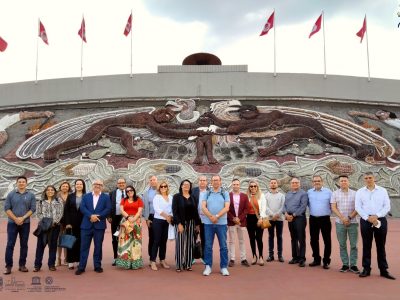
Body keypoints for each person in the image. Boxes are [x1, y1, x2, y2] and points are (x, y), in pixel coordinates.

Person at [355, 172, 395, 280]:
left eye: (370, 177)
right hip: (366, 220)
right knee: (366, 245)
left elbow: (387, 206)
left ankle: (383, 270)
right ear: (364, 180)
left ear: (374, 178)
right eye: (366, 178)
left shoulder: (382, 191)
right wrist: (367, 217)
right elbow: (358, 207)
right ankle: (366, 269)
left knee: (380, 246)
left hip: (380, 220)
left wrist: (377, 216)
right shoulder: (360, 192)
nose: (368, 179)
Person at [75, 179, 111, 275]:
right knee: (84, 247)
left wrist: (97, 216)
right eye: (96, 184)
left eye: (100, 184)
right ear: (92, 185)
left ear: (102, 186)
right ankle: (82, 267)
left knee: (98, 246)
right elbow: (82, 208)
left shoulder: (106, 197)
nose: (97, 186)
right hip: (86, 225)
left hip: (99, 226)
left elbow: (108, 209)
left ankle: (97, 266)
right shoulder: (86, 196)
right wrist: (91, 216)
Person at [3, 176, 36, 275]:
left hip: (25, 224)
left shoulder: (31, 195)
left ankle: (22, 265)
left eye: (23, 182)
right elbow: (7, 209)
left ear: (26, 183)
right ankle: (8, 266)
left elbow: (33, 209)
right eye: (19, 182)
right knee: (10, 244)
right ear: (16, 183)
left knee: (24, 245)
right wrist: (16, 219)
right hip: (12, 223)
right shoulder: (11, 194)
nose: (21, 183)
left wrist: (22, 218)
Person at [201, 175, 230, 276]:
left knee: (223, 246)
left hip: (221, 224)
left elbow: (227, 207)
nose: (215, 182)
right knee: (208, 246)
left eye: (217, 180)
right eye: (213, 180)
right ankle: (208, 266)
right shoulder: (207, 193)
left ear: (220, 182)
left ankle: (224, 267)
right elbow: (203, 207)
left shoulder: (225, 193)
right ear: (211, 182)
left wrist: (216, 216)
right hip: (208, 224)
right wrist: (211, 217)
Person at [330, 175, 359, 273]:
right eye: (341, 181)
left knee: (354, 245)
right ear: (339, 182)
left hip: (353, 223)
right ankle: (345, 264)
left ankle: (353, 265)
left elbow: (358, 207)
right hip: (340, 223)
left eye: (345, 181)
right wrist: (342, 218)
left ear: (348, 182)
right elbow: (333, 207)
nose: (343, 182)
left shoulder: (355, 194)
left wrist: (349, 217)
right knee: (342, 244)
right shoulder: (334, 194)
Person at [33, 185, 64, 272]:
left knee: (53, 246)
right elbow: (38, 214)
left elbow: (60, 213)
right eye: (48, 190)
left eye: (52, 190)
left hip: (55, 227)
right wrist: (45, 223)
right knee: (40, 246)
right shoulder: (40, 202)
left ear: (55, 192)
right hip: (43, 227)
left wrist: (54, 222)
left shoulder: (59, 201)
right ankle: (37, 265)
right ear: (45, 192)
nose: (50, 191)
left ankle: (51, 265)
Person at [172, 180, 201, 272]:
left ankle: (188, 264)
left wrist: (197, 224)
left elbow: (196, 212)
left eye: (188, 185)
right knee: (180, 243)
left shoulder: (193, 198)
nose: (186, 186)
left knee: (190, 244)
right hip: (181, 223)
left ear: (190, 186)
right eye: (184, 184)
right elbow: (175, 212)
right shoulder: (176, 197)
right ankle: (179, 264)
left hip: (191, 223)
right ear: (181, 186)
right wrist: (179, 224)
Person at [307, 175, 332, 269]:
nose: (317, 182)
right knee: (313, 240)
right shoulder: (309, 192)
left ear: (322, 181)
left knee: (327, 240)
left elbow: (332, 204)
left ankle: (326, 261)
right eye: (315, 181)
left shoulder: (328, 192)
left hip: (325, 219)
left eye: (318, 181)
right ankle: (316, 259)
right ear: (312, 182)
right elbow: (308, 204)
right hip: (313, 219)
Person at [115, 185, 144, 269]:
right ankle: (125, 263)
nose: (129, 192)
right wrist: (128, 218)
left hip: (136, 222)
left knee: (136, 242)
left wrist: (134, 219)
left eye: (131, 190)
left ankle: (135, 262)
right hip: (125, 222)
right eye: (127, 191)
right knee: (124, 241)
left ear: (134, 191)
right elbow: (122, 210)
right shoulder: (123, 200)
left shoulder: (139, 199)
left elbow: (139, 211)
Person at [284, 177, 308, 267]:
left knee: (301, 238)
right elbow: (284, 205)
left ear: (299, 184)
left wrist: (293, 215)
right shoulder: (288, 193)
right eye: (293, 183)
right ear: (290, 184)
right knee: (293, 238)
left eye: (296, 183)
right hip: (289, 218)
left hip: (299, 218)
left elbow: (303, 207)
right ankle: (295, 257)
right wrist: (286, 214)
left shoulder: (303, 194)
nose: (294, 184)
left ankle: (302, 258)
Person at [150, 180, 173, 271]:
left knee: (164, 241)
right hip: (158, 221)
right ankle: (152, 261)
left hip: (167, 222)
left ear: (167, 187)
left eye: (165, 186)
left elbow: (173, 208)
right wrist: (167, 216)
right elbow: (157, 209)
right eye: (161, 186)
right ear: (159, 188)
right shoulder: (157, 197)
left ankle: (162, 260)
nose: (163, 188)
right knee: (156, 241)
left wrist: (170, 216)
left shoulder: (171, 197)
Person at [64, 179, 86, 270]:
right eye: (77, 184)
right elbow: (66, 210)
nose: (79, 185)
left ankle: (79, 260)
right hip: (71, 223)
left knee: (80, 242)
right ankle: (70, 261)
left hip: (83, 223)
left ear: (83, 186)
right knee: (71, 241)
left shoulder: (87, 196)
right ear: (75, 185)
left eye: (81, 184)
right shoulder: (70, 196)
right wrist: (67, 222)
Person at [227, 178, 249, 267]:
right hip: (231, 222)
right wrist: (233, 218)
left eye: (237, 184)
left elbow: (246, 209)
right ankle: (232, 259)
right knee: (231, 241)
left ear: (239, 185)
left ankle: (243, 259)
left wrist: (239, 218)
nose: (235, 186)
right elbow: (226, 209)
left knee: (242, 240)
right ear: (232, 185)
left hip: (241, 222)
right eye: (234, 184)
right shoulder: (228, 195)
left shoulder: (244, 196)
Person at [246, 180, 266, 266]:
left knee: (259, 238)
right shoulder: (246, 196)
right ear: (249, 188)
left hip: (259, 218)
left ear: (257, 187)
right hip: (249, 219)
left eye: (255, 186)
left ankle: (261, 256)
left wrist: (261, 218)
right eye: (251, 186)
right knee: (251, 238)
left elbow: (264, 207)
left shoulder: (261, 195)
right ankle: (254, 255)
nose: (253, 188)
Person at [265, 178, 285, 263]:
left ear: (277, 184)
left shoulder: (281, 195)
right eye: (272, 183)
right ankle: (271, 255)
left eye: (274, 183)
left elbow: (283, 206)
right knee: (270, 236)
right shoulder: (266, 195)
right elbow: (265, 207)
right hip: (270, 219)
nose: (273, 184)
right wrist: (272, 215)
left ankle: (280, 255)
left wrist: (277, 215)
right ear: (270, 185)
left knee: (279, 236)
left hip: (279, 219)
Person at [108, 177, 127, 266]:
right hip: (115, 218)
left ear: (125, 184)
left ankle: (126, 257)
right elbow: (108, 205)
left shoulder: (129, 192)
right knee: (115, 237)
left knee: (127, 237)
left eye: (123, 183)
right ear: (117, 184)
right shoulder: (112, 193)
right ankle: (116, 257)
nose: (121, 184)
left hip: (127, 219)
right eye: (119, 183)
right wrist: (109, 216)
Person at [191, 175, 208, 262]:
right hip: (195, 218)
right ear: (198, 181)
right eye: (201, 180)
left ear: (206, 182)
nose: (202, 182)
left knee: (204, 238)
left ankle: (203, 256)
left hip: (206, 219)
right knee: (193, 237)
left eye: (204, 180)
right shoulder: (193, 191)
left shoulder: (210, 192)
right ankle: (192, 257)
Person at [142, 175, 158, 260]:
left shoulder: (162, 190)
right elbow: (145, 206)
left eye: (154, 180)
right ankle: (151, 257)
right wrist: (147, 219)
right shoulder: (146, 192)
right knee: (152, 237)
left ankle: (162, 258)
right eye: (151, 180)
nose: (153, 181)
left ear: (157, 181)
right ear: (149, 182)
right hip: (151, 216)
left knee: (161, 238)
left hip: (161, 217)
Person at [56, 181, 71, 267]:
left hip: (68, 221)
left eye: (66, 186)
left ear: (68, 188)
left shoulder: (71, 196)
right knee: (58, 240)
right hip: (58, 221)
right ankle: (58, 259)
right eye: (63, 186)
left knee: (66, 240)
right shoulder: (56, 196)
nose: (65, 187)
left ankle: (66, 259)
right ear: (60, 187)